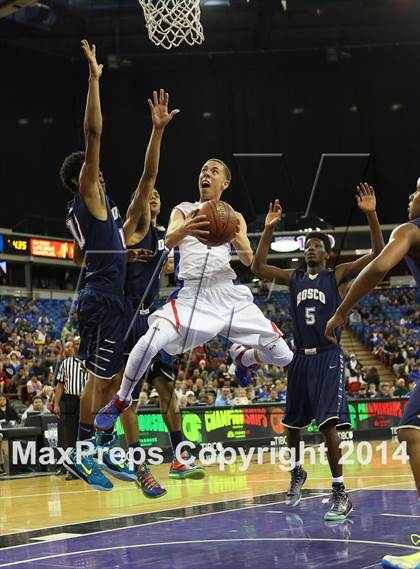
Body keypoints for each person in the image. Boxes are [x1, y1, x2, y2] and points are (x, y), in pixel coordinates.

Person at [95, 158, 294, 435]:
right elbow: (167, 242)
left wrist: (267, 229)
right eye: (203, 170)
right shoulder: (183, 210)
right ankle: (122, 398)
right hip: (194, 295)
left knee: (285, 356)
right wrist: (185, 229)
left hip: (228, 293)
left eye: (214, 171)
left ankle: (244, 358)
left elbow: (250, 261)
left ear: (224, 183)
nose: (206, 174)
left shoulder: (232, 217)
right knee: (150, 340)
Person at [251, 183, 384, 521]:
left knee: (328, 426)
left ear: (326, 253)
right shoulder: (294, 278)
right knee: (291, 425)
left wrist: (371, 215)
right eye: (307, 246)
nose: (310, 250)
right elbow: (257, 268)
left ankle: (340, 490)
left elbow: (379, 253)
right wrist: (267, 229)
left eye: (316, 246)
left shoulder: (336, 276)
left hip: (327, 355)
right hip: (299, 358)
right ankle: (297, 471)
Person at [325, 180, 420, 569]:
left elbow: (380, 265)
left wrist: (343, 309)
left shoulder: (412, 229)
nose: (411, 195)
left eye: (417, 190)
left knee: (412, 430)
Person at [54, 341, 88, 479]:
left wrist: (87, 393)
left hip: (86, 401)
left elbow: (96, 383)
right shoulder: (65, 363)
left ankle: (86, 466)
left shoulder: (91, 362)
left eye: (81, 343)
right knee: (70, 435)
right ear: (74, 346)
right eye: (77, 343)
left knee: (86, 434)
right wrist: (56, 403)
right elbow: (60, 385)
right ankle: (71, 468)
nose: (79, 345)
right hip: (69, 400)